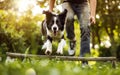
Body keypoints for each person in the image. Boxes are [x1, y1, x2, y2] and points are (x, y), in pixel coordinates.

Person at [49, 0, 97, 65]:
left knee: (85, 28)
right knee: (68, 18)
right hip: (67, 2)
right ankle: (72, 40)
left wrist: (93, 15)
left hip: (83, 3)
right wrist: (50, 12)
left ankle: (84, 61)